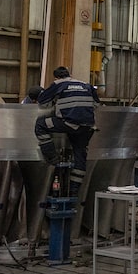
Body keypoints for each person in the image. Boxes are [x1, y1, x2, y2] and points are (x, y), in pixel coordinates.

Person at [35, 66, 100, 196]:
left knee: (41, 124)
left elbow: (42, 101)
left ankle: (52, 157)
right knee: (80, 154)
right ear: (70, 74)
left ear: (57, 77)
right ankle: (74, 190)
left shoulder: (58, 84)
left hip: (69, 123)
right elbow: (97, 104)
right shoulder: (85, 84)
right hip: (87, 126)